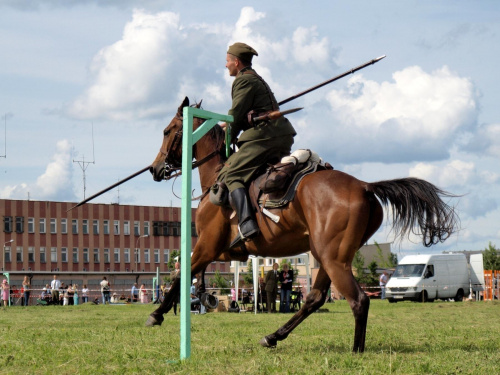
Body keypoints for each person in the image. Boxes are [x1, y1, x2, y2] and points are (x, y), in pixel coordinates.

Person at [218, 42, 297, 249]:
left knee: (231, 174)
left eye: (227, 61)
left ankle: (247, 224)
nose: (225, 65)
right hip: (281, 135)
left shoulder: (242, 81)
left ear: (236, 61)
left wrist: (226, 139)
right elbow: (243, 116)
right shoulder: (256, 79)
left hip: (264, 138)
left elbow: (235, 115)